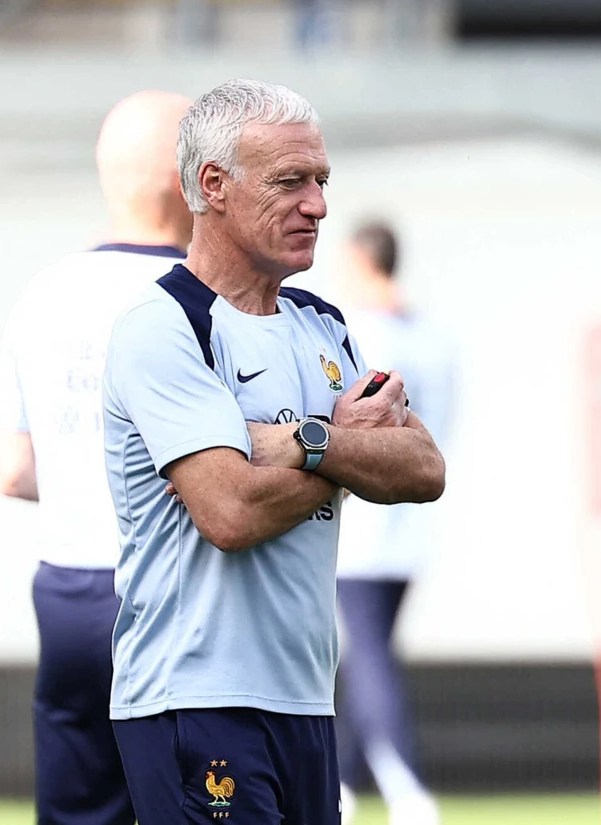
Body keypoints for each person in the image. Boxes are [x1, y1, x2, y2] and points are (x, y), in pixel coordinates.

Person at [102, 78, 445, 825]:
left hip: (306, 699)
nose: (318, 204)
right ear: (213, 186)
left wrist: (307, 442)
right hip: (194, 701)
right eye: (291, 181)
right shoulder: (165, 328)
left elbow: (424, 469)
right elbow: (230, 510)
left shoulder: (323, 323)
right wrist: (349, 451)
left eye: (322, 181)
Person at [0, 89, 192, 825]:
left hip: (70, 590)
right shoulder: (212, 300)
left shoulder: (43, 293)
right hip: (179, 594)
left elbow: (13, 470)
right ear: (194, 177)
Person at [333, 221, 455, 825]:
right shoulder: (433, 337)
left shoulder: (360, 333)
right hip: (413, 527)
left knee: (369, 653)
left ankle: (407, 788)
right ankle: (342, 784)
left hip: (361, 530)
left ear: (359, 260)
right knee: (367, 653)